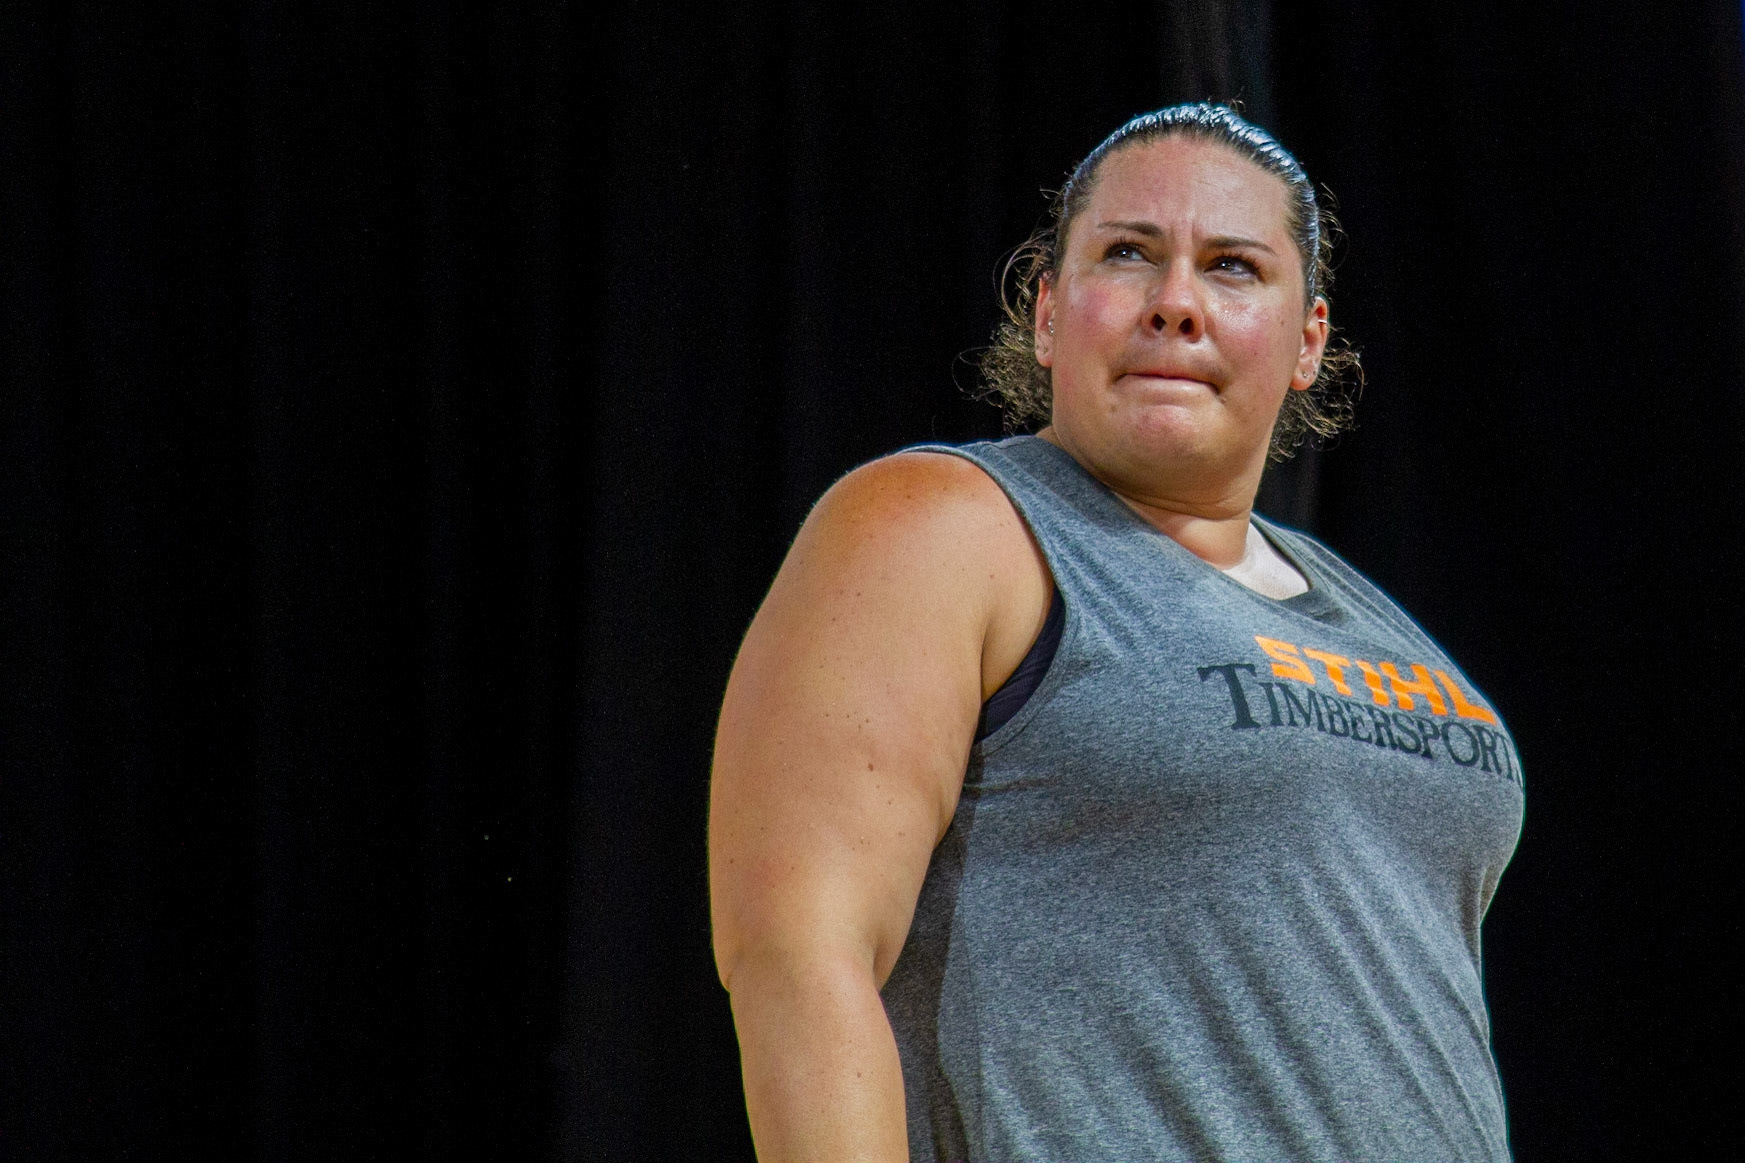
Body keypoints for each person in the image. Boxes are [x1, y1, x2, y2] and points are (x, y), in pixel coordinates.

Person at [709, 103, 1523, 1162]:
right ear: (1048, 314)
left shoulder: (1369, 616)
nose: (1175, 302)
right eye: (1128, 254)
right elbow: (796, 952)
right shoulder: (944, 524)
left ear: (1306, 342)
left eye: (1231, 266)